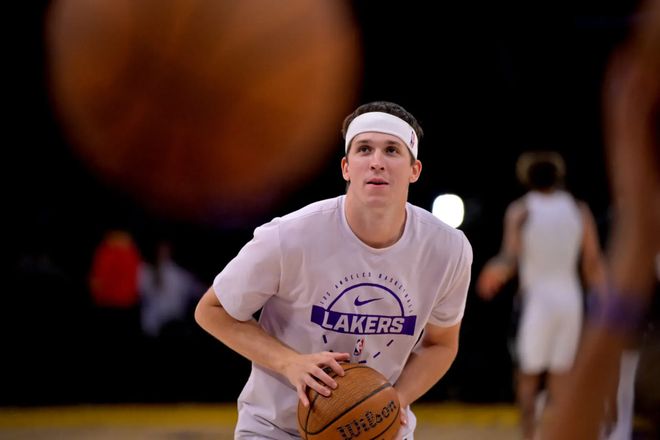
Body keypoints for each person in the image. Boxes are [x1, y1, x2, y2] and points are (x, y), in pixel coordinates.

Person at [195, 101, 473, 439]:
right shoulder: (290, 235)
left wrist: (392, 401)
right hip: (276, 427)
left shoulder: (447, 249)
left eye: (391, 150)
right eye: (364, 149)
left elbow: (440, 344)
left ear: (414, 170)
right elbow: (212, 310)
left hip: (377, 431)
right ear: (346, 167)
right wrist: (289, 363)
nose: (377, 161)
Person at [540, 0, 660, 437]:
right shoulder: (570, 211)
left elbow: (591, 257)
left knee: (550, 373)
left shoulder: (531, 212)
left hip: (569, 297)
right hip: (565, 295)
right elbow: (590, 256)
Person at [476, 151, 607, 440]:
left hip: (537, 301)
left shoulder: (522, 210)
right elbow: (592, 262)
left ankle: (530, 435)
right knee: (561, 375)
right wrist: (607, 298)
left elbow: (510, 257)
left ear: (526, 177)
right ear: (558, 176)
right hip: (570, 300)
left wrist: (493, 271)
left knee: (528, 375)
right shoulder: (578, 209)